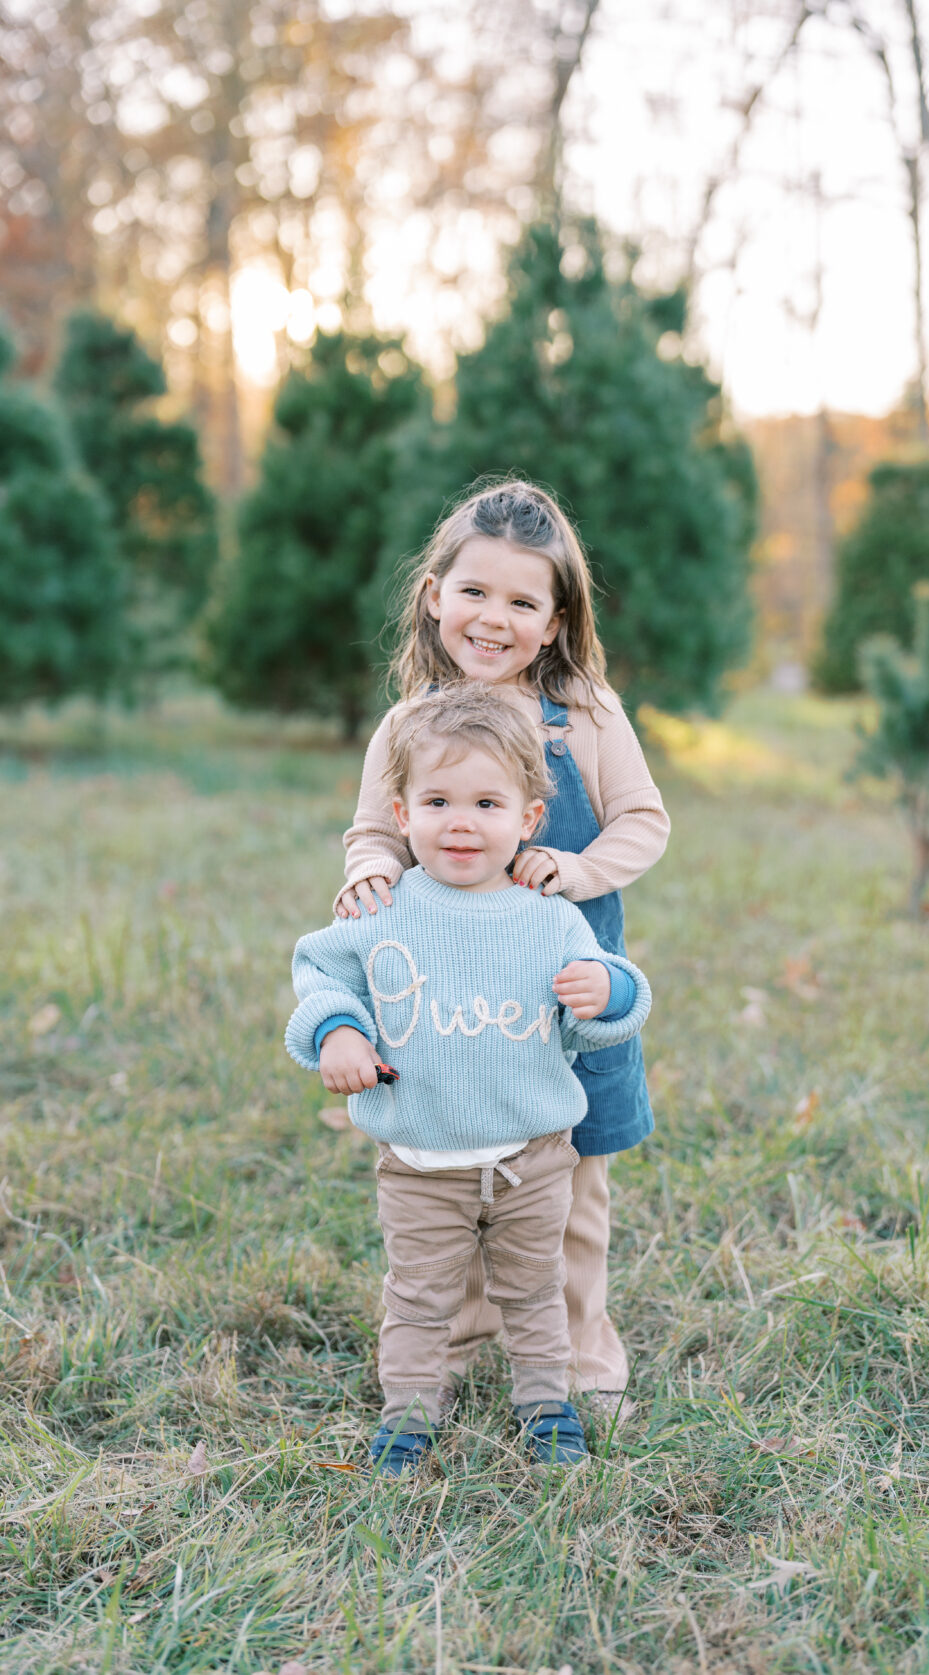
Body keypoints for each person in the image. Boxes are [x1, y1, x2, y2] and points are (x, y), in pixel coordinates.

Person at [334, 480, 669, 1422]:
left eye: (523, 602)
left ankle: (578, 1352)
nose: (494, 619)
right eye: (475, 592)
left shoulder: (585, 714)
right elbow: (373, 831)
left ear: (556, 620)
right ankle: (462, 1336)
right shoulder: (408, 727)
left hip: (566, 998)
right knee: (451, 1174)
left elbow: (644, 820)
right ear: (434, 593)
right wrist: (367, 874)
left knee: (570, 1187)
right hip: (447, 1008)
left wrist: (579, 867)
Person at [286, 686, 651, 1474]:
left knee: (534, 1289)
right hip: (420, 1164)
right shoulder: (383, 908)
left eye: (486, 802)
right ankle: (410, 1412)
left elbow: (605, 1003)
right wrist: (336, 1029)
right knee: (418, 1297)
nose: (460, 821)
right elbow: (321, 971)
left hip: (532, 1157)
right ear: (402, 811)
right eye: (438, 800)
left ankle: (547, 1402)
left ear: (526, 820)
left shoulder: (547, 914)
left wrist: (608, 991)